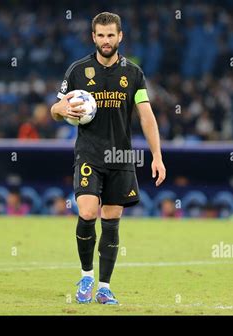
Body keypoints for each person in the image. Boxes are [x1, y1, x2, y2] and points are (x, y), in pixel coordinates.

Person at [50, 12, 166, 305]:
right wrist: (61, 111)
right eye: (100, 35)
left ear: (120, 37)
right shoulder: (78, 70)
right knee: (88, 212)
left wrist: (157, 155)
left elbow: (146, 116)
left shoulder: (134, 74)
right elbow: (55, 108)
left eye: (110, 35)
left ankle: (104, 286)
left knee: (111, 219)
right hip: (89, 152)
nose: (105, 41)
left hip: (121, 155)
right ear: (93, 37)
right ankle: (86, 275)